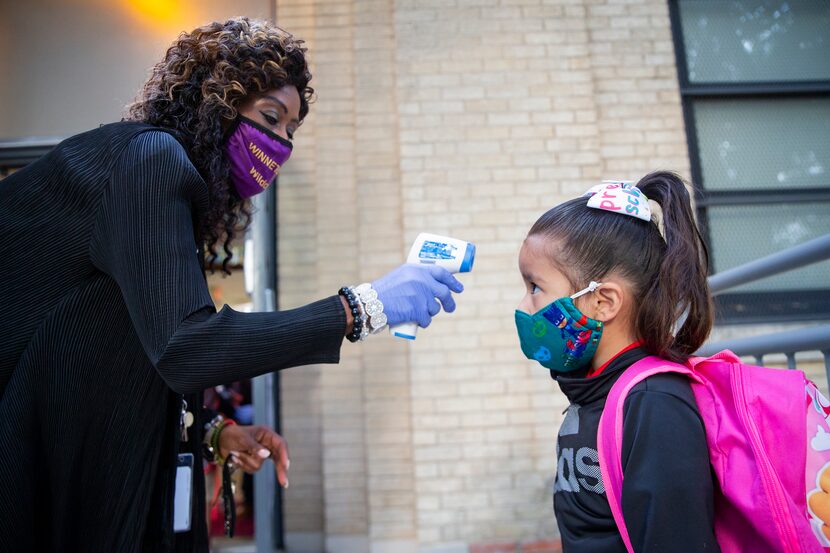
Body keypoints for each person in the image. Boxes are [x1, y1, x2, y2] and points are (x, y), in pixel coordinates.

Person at [0, 17, 463, 553]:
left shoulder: (156, 183)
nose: (281, 144)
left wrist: (215, 432)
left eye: (291, 130)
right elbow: (185, 347)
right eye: (271, 117)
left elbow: (126, 354)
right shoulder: (146, 162)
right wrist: (362, 307)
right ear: (215, 102)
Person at [514, 172, 719, 552]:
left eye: (535, 287)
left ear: (603, 302)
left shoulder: (654, 404)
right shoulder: (592, 390)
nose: (524, 307)